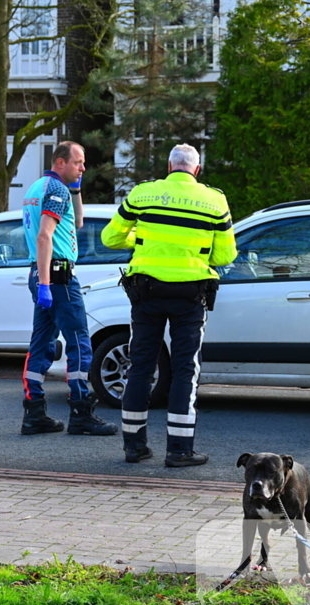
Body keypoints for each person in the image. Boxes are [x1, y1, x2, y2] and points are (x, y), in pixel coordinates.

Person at [101, 144, 236, 467]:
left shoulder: (142, 194)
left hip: (147, 293)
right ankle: (179, 451)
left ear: (168, 166)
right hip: (190, 296)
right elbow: (225, 256)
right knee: (185, 370)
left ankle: (134, 447)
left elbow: (110, 238)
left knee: (141, 366)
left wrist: (144, 241)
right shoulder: (215, 201)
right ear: (197, 170)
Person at [20, 141, 117, 437]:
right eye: (78, 162)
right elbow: (44, 236)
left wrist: (76, 188)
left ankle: (34, 414)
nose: (83, 168)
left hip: (41, 274)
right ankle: (81, 413)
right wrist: (48, 284)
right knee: (79, 344)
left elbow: (77, 223)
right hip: (58, 276)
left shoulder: (37, 188)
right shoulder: (56, 190)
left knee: (42, 344)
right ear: (60, 162)